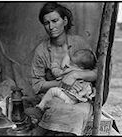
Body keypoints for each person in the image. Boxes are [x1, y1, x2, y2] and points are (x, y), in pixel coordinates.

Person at [25, 2, 99, 136]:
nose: (51, 27)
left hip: (80, 97)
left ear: (64, 21)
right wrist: (63, 82)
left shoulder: (79, 43)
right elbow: (37, 85)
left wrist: (76, 75)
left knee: (79, 113)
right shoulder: (41, 50)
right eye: (46, 23)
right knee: (56, 110)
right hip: (56, 97)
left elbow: (97, 73)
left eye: (55, 21)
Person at [30, 49, 96, 115]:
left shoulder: (70, 69)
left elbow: (57, 73)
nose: (76, 52)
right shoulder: (85, 72)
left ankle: (40, 108)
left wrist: (54, 66)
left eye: (77, 54)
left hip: (69, 97)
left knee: (52, 91)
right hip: (77, 98)